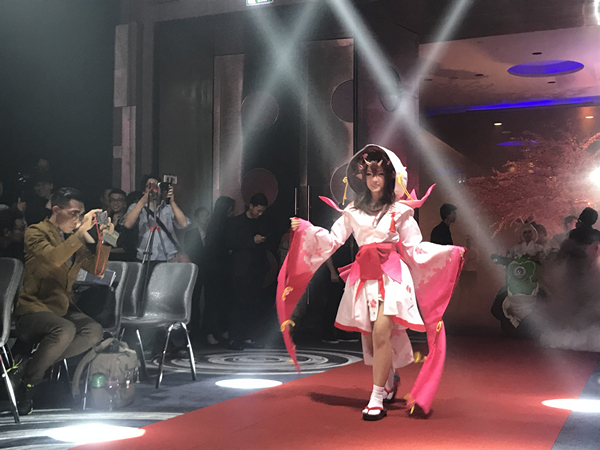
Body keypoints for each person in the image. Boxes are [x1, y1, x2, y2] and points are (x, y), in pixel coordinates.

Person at [283, 145, 465, 421]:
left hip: (391, 276)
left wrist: (448, 253)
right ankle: (389, 378)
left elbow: (414, 247)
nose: (374, 179)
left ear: (390, 176)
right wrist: (306, 230)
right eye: (369, 174)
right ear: (363, 177)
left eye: (379, 174)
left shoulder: (400, 211)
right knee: (369, 336)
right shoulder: (353, 210)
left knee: (381, 331)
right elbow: (332, 239)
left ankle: (377, 396)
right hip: (363, 277)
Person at [13, 187, 112, 415]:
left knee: (94, 331)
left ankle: (30, 364)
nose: (78, 219)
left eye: (81, 214)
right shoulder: (35, 232)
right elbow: (54, 259)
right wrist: (81, 232)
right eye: (74, 213)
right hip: (33, 309)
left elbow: (98, 269)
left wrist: (108, 236)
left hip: (61, 308)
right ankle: (29, 385)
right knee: (65, 329)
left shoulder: (73, 239)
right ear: (56, 210)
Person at [225, 193, 269, 350]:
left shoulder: (262, 222)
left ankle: (251, 337)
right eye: (258, 210)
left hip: (258, 268)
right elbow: (230, 243)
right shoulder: (236, 222)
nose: (260, 214)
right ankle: (235, 338)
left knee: (254, 303)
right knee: (239, 303)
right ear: (251, 206)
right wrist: (251, 241)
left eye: (262, 211)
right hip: (242, 269)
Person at [123, 175, 190, 263]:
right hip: (146, 256)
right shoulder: (136, 207)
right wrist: (143, 201)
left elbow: (184, 224)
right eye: (150, 186)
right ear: (144, 190)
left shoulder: (168, 208)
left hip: (169, 257)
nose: (154, 188)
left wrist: (172, 202)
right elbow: (127, 224)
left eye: (157, 185)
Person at [203, 197, 236, 346]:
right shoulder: (226, 225)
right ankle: (215, 331)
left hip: (211, 268)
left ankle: (212, 332)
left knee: (212, 302)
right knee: (218, 302)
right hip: (220, 268)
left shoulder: (213, 224)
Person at [184, 206, 210, 344]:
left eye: (207, 215)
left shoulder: (211, 232)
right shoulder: (190, 233)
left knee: (210, 298)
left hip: (209, 268)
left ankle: (206, 328)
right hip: (195, 267)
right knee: (194, 298)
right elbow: (189, 251)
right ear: (196, 218)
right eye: (203, 216)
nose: (206, 218)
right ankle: (193, 328)